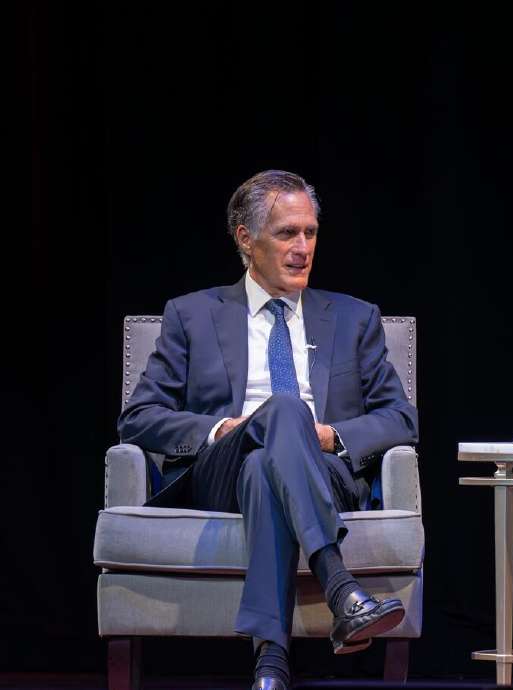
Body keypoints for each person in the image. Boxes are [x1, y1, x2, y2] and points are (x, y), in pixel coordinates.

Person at [118, 170, 419, 690]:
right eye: (287, 233)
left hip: (323, 472)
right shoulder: (191, 316)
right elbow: (139, 416)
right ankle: (338, 581)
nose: (303, 247)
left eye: (311, 233)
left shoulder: (354, 318)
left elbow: (401, 418)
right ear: (245, 240)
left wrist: (331, 437)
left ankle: (271, 664)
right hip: (219, 475)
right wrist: (221, 430)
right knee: (277, 417)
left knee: (268, 461)